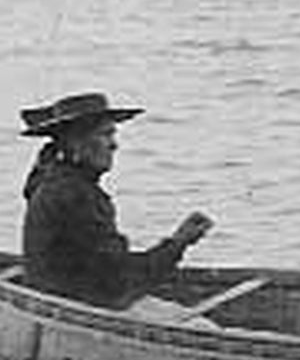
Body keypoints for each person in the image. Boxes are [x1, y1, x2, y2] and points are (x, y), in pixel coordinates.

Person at [19, 92, 213, 310]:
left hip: (61, 300)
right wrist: (179, 242)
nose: (114, 145)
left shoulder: (50, 178)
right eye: (105, 134)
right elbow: (119, 279)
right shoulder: (74, 195)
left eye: (113, 135)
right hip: (76, 309)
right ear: (76, 142)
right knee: (201, 327)